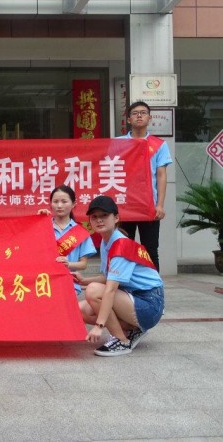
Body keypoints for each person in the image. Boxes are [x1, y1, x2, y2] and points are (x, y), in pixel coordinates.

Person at [74, 195, 165, 357]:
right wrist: (84, 280)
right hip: (133, 298)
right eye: (94, 217)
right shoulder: (107, 241)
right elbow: (108, 277)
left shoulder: (120, 245)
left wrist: (99, 326)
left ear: (116, 218)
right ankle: (133, 330)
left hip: (149, 303)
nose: (99, 220)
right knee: (81, 310)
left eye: (104, 215)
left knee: (94, 291)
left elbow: (109, 290)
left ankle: (121, 341)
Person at [117, 101, 172, 271]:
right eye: (135, 113)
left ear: (149, 118)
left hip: (149, 205)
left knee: (150, 249)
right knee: (123, 248)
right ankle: (124, 284)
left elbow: (161, 175)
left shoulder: (159, 144)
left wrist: (160, 204)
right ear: (128, 119)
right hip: (124, 204)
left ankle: (153, 285)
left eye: (143, 113)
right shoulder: (118, 143)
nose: (139, 116)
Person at [38, 185, 96, 295]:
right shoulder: (43, 227)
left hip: (70, 284)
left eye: (64, 201)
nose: (59, 205)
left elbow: (83, 264)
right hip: (45, 283)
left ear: (73, 204)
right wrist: (38, 221)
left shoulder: (81, 232)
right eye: (55, 201)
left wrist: (68, 264)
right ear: (50, 204)